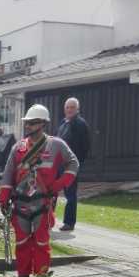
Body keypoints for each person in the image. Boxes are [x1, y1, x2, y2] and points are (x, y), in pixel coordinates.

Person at [0, 104, 79, 277]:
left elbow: (74, 164)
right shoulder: (17, 148)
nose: (28, 126)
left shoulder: (57, 145)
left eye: (32, 123)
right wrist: (4, 197)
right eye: (27, 123)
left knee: (42, 242)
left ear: (43, 124)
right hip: (20, 204)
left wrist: (59, 184)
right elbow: (8, 174)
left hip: (43, 203)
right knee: (21, 242)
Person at [55, 97, 90, 231]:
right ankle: (47, 219)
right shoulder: (63, 123)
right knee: (52, 192)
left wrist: (76, 163)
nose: (69, 110)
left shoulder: (80, 124)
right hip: (58, 165)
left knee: (70, 195)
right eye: (67, 107)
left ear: (77, 109)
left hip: (70, 165)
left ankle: (69, 223)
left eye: (72, 107)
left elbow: (85, 147)